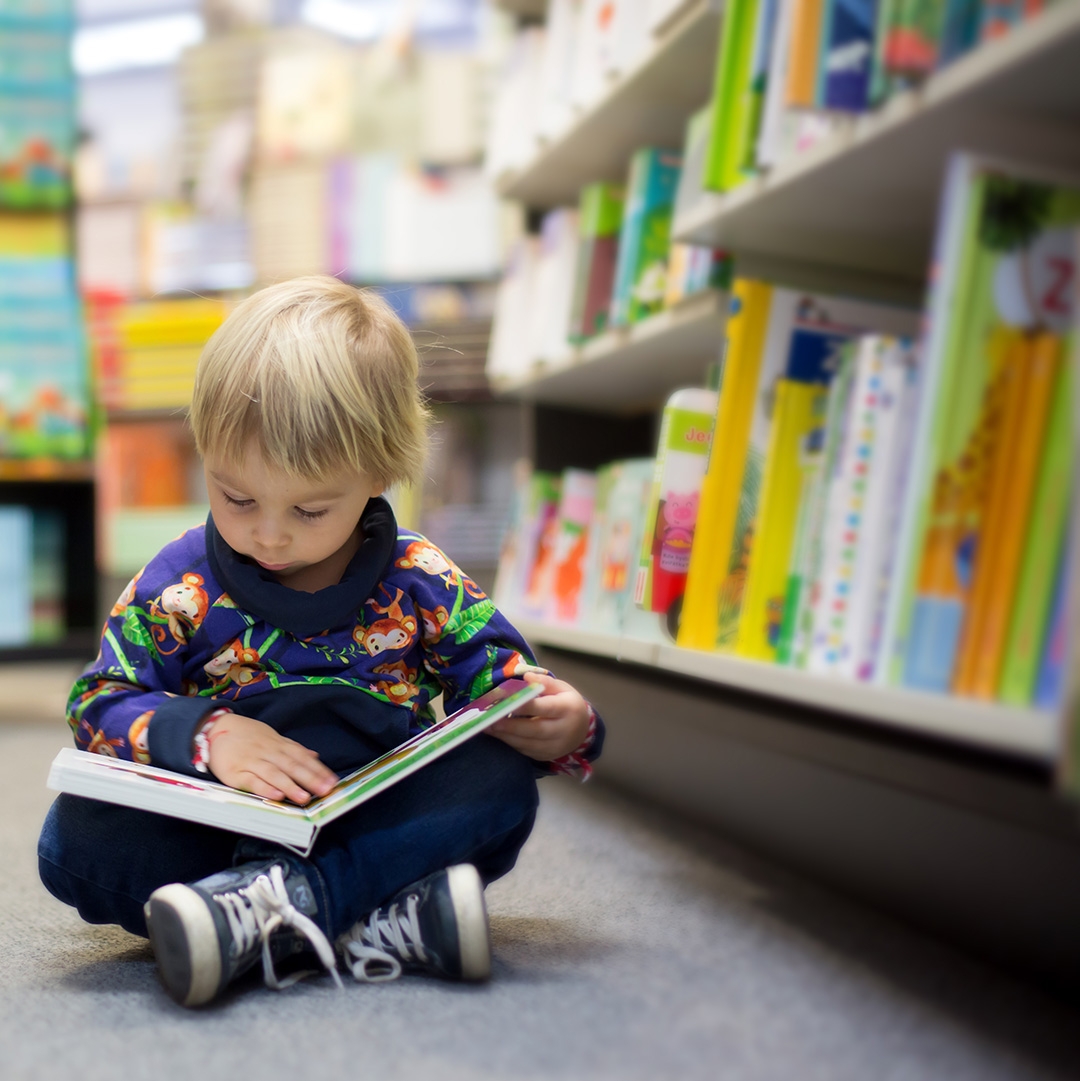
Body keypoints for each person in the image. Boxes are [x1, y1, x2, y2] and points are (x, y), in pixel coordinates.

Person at [37, 276, 603, 1008]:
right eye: (236, 496)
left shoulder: (419, 575)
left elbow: (501, 693)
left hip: (374, 820)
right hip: (218, 821)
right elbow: (97, 701)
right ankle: (372, 917)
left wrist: (563, 722)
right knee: (73, 838)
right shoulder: (177, 580)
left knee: (494, 784)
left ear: (379, 473)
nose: (268, 533)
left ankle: (266, 912)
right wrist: (207, 734)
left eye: (309, 508)